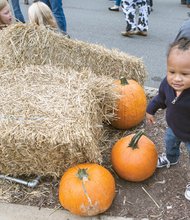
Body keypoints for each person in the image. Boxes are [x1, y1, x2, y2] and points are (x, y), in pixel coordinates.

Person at [146, 38, 190, 201]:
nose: (177, 79)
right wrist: (150, 109)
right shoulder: (167, 84)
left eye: (185, 74)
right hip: (173, 127)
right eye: (172, 72)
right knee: (170, 143)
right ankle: (172, 158)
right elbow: (160, 98)